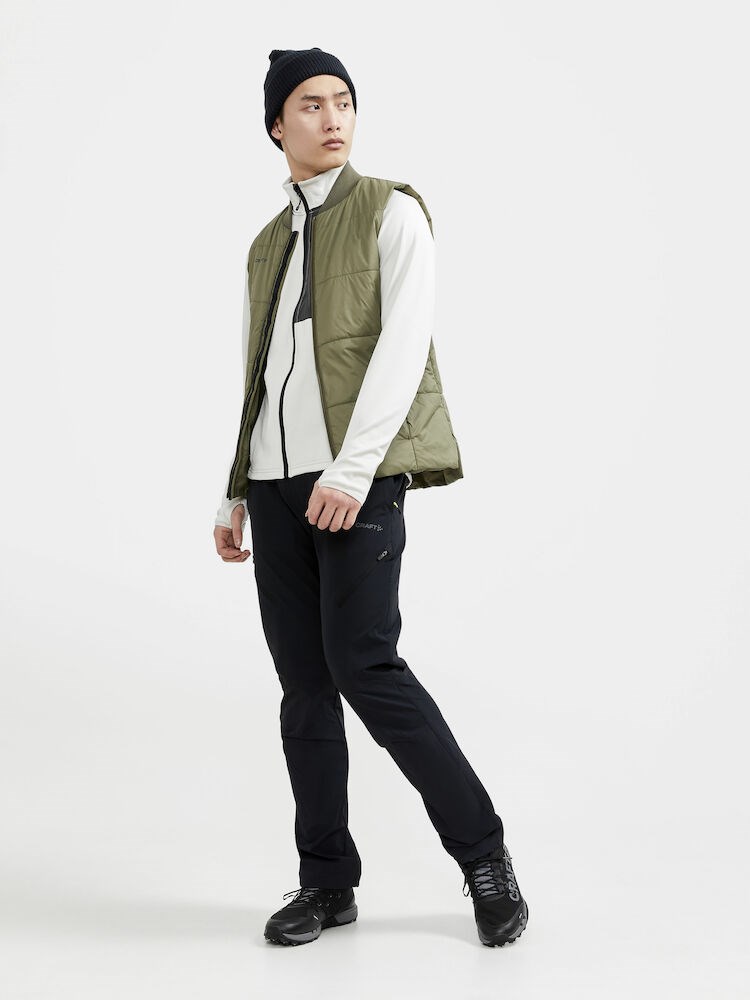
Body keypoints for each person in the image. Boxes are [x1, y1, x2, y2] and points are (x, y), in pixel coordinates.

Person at [213, 46, 529, 949]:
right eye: (311, 104)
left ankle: (485, 856)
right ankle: (327, 883)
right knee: (304, 689)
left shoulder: (392, 210)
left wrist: (351, 473)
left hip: (357, 479)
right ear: (277, 125)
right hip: (275, 487)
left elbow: (403, 346)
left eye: (343, 101)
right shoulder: (267, 244)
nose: (332, 118)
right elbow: (260, 372)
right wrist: (235, 490)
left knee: (366, 669)